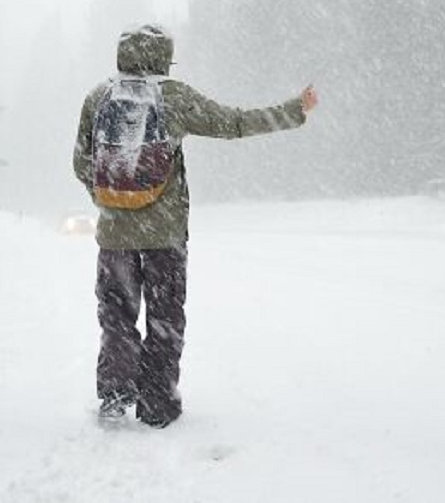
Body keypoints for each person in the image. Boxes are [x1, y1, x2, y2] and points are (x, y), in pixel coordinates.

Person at [72, 24, 317, 428]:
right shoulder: (175, 97)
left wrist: (110, 202)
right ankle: (157, 405)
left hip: (114, 237)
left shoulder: (98, 98)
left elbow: (81, 163)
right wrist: (294, 110)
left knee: (116, 317)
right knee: (164, 318)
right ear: (163, 55)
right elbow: (234, 122)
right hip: (165, 237)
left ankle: (115, 395)